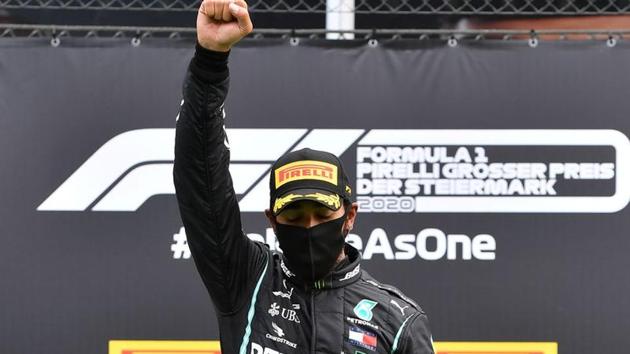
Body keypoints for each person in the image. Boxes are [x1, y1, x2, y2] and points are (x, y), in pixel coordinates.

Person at [173, 0, 435, 352]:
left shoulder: (398, 321)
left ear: (350, 216)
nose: (309, 227)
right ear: (272, 220)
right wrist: (209, 61)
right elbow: (200, 181)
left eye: (322, 214)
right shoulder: (249, 280)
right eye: (294, 216)